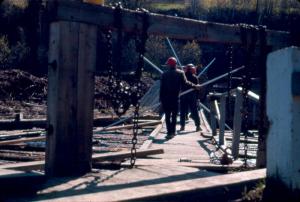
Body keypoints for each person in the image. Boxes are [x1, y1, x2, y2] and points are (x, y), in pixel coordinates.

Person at [160, 57, 201, 139]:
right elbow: (186, 83)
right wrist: (195, 86)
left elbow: (162, 88)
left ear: (169, 65)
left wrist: (161, 99)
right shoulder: (180, 73)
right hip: (175, 97)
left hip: (166, 98)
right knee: (174, 115)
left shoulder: (164, 74)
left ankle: (169, 132)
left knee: (168, 116)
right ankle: (173, 131)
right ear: (175, 65)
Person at [179, 64, 201, 132]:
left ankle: (182, 126)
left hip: (184, 96)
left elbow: (180, 86)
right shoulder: (195, 77)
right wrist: (197, 98)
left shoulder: (183, 76)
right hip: (192, 96)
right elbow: (197, 89)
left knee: (182, 111)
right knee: (194, 111)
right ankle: (198, 126)